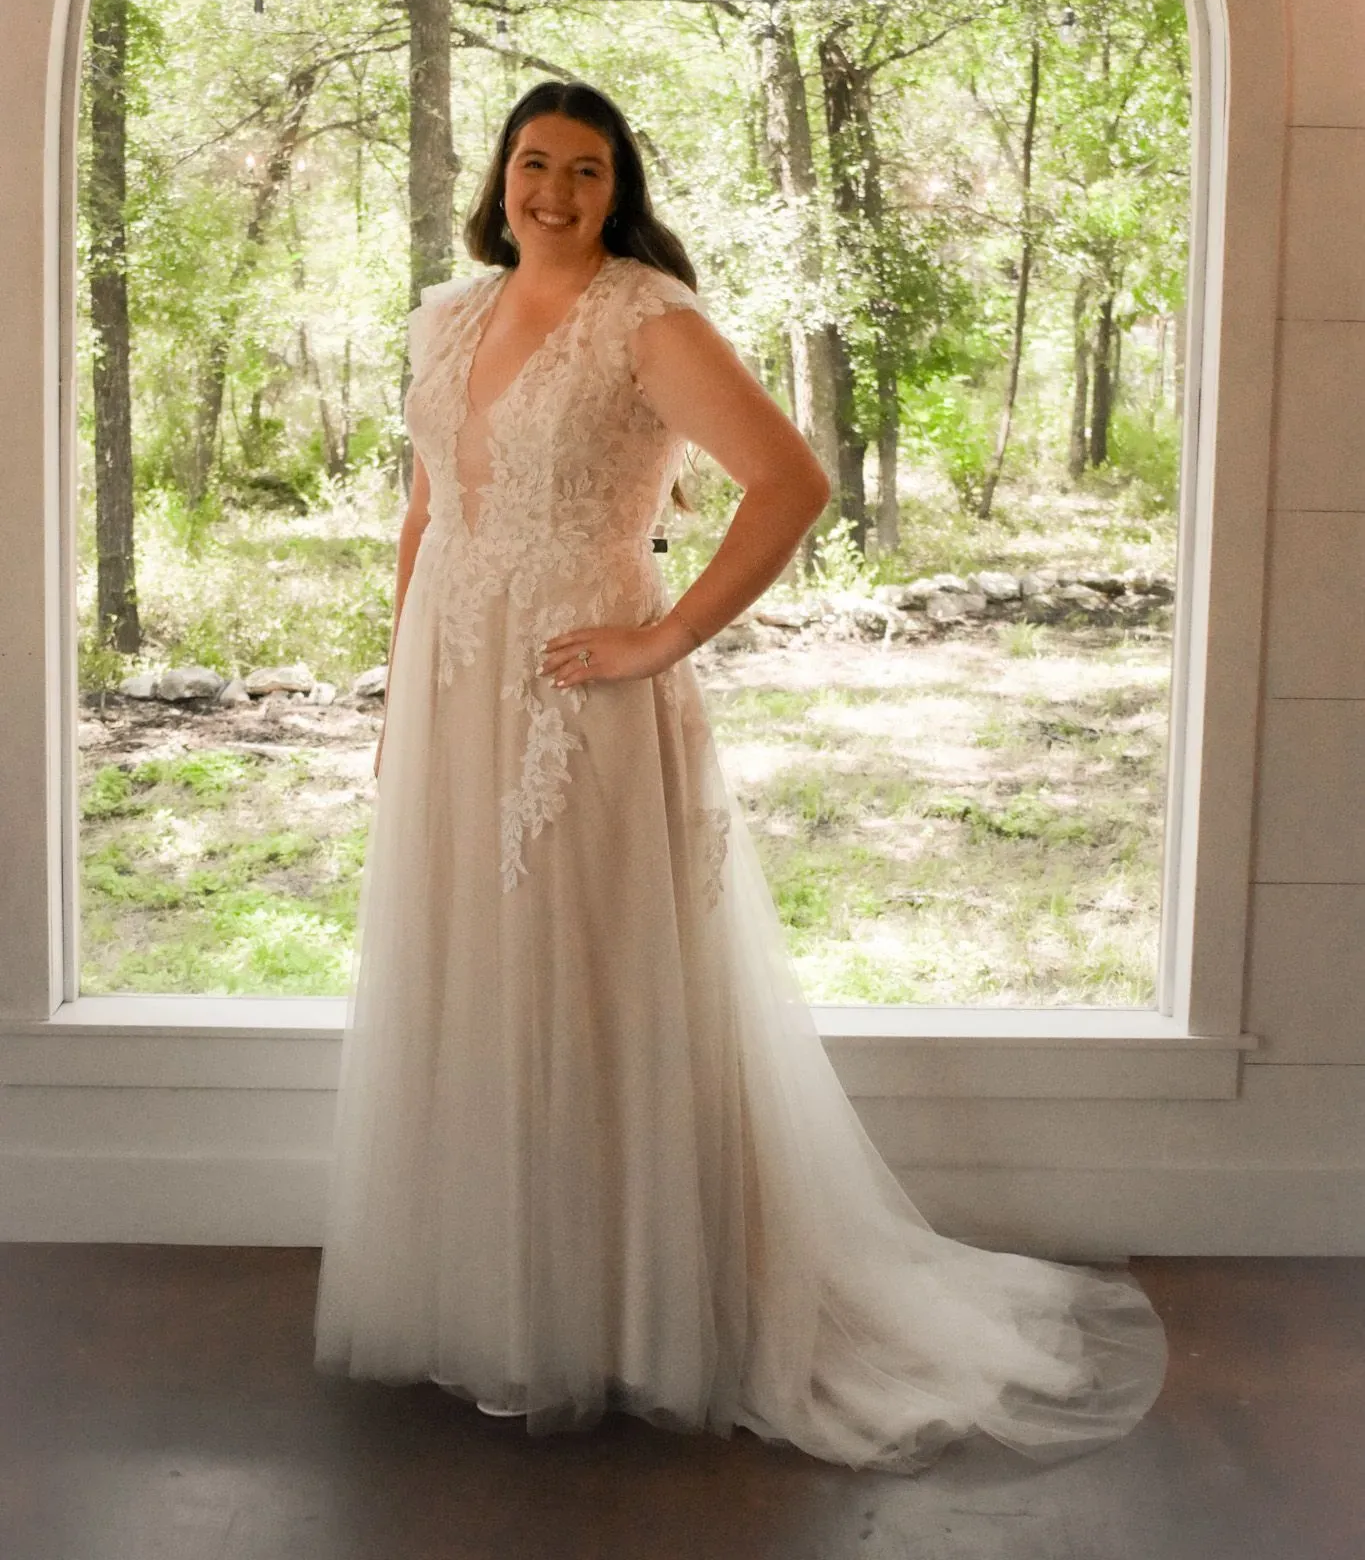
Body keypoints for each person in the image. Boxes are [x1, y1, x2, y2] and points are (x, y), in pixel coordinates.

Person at [313, 78, 1168, 1476]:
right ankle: (496, 1293)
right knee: (468, 973)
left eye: (587, 171)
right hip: (454, 695)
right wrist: (403, 691)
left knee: (589, 980)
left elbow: (791, 483)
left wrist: (662, 638)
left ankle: (624, 1310)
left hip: (577, 699)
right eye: (534, 163)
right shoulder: (447, 314)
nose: (554, 193)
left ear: (619, 190)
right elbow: (426, 509)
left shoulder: (645, 319)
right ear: (500, 176)